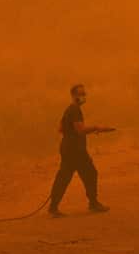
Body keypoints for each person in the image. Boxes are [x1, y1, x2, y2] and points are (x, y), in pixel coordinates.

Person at [48, 83, 114, 217]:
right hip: (76, 151)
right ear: (73, 95)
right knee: (90, 173)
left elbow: (60, 129)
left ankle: (53, 207)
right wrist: (96, 127)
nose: (83, 96)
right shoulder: (75, 110)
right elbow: (80, 130)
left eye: (84, 94)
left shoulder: (69, 110)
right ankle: (93, 203)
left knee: (63, 177)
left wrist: (72, 134)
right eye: (80, 94)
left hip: (68, 148)